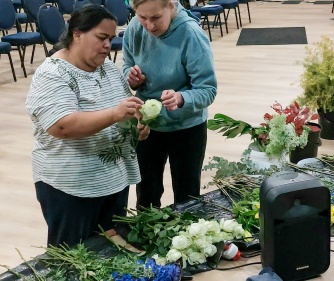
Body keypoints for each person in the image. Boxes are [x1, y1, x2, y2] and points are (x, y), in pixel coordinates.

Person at [25, 5, 149, 247]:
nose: (108, 45)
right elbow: (62, 126)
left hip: (112, 180)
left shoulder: (108, 68)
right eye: (102, 38)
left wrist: (139, 124)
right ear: (77, 34)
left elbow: (128, 109)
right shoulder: (52, 74)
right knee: (72, 256)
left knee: (109, 252)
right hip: (70, 187)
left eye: (111, 39)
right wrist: (115, 114)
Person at [123, 0, 217, 208]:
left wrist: (182, 98)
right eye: (142, 18)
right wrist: (131, 78)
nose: (149, 26)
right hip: (147, 125)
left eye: (156, 18)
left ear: (172, 6)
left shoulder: (190, 34)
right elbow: (127, 65)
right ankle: (147, 235)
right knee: (146, 192)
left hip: (186, 127)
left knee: (187, 196)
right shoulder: (134, 28)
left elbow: (208, 90)